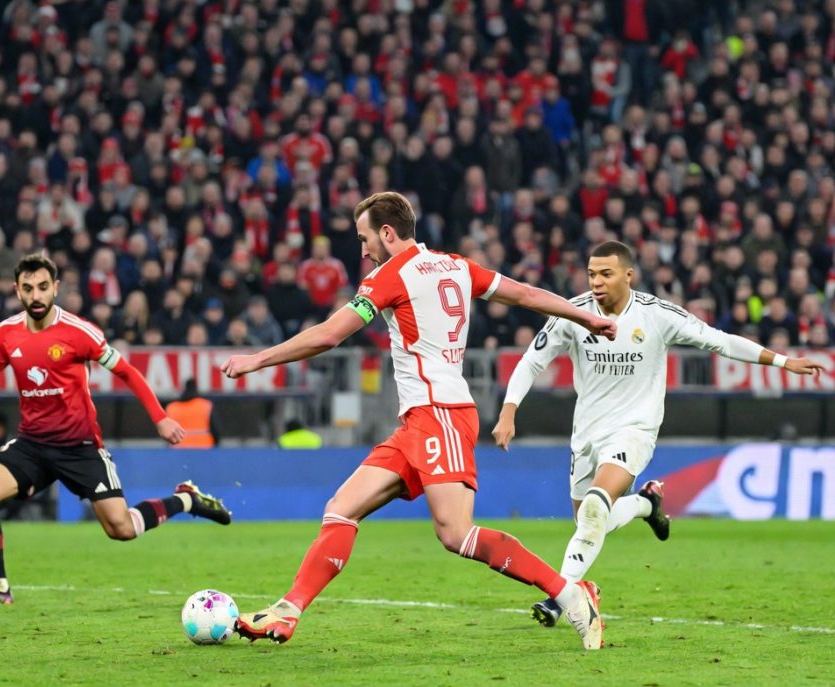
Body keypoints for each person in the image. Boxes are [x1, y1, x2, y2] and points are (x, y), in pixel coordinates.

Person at [221, 192, 618, 650]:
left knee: (456, 533)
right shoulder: (457, 266)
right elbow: (526, 294)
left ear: (387, 233)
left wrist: (258, 359)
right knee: (341, 508)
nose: (363, 250)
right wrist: (585, 317)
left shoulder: (389, 276)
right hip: (419, 421)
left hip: (441, 415)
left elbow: (330, 335)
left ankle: (571, 594)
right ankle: (288, 610)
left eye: (365, 238)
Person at [493, 240, 826, 627]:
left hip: (634, 429)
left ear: (628, 275)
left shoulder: (656, 315)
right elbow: (532, 361)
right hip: (586, 433)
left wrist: (783, 361)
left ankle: (560, 596)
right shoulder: (573, 313)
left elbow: (720, 340)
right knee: (589, 519)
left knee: (596, 508)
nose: (596, 282)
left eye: (606, 274)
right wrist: (509, 409)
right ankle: (645, 504)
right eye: (591, 274)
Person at [0, 254, 232, 607]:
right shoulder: (5, 334)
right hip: (32, 444)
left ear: (56, 288)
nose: (36, 296)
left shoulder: (79, 332)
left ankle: (186, 499)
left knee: (122, 529)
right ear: (17, 290)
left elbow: (127, 372)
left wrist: (160, 418)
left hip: (80, 447)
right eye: (28, 288)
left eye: (43, 287)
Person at [164, 379, 220, 448]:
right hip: (204, 449)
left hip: (178, 450)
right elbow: (216, 430)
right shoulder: (206, 405)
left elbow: (165, 432)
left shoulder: (171, 408)